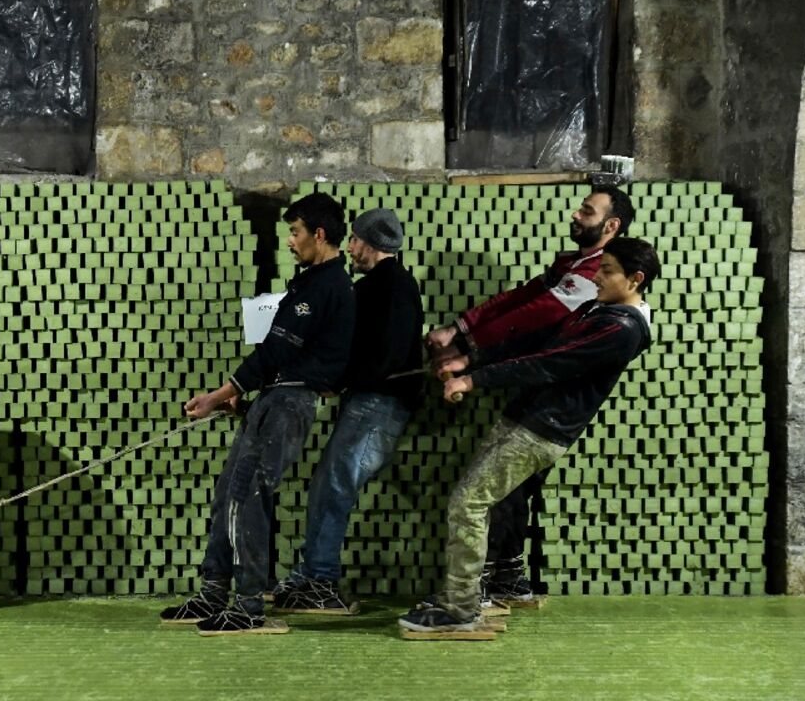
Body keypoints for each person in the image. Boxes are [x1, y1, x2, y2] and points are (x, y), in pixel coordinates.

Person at [400, 236, 659, 635]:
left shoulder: (621, 330)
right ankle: (462, 596)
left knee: (467, 504)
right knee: (476, 502)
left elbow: (549, 364)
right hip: (525, 418)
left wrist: (473, 378)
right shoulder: (599, 309)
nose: (597, 278)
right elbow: (539, 341)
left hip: (541, 432)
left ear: (636, 279)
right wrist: (470, 357)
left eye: (608, 271)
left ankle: (459, 609)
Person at [423, 185, 634, 602]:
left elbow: (539, 322)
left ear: (611, 226)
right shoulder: (574, 262)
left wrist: (470, 360)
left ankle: (469, 595)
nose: (575, 214)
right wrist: (462, 330)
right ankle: (506, 577)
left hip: (548, 405)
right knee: (509, 489)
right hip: (531, 392)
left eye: (586, 211)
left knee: (479, 496)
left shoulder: (603, 291)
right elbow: (521, 298)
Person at [160, 192, 355, 635]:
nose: (290, 242)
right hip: (274, 399)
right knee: (229, 490)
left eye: (296, 232)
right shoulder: (310, 282)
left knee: (249, 495)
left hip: (290, 404)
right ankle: (214, 590)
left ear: (318, 235)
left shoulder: (328, 286)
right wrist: (246, 397)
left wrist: (219, 393)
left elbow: (278, 350)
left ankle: (248, 605)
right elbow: (283, 357)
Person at [269, 208, 424, 615]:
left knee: (335, 484)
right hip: (369, 401)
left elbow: (385, 356)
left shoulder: (391, 287)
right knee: (328, 483)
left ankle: (320, 580)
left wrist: (338, 377)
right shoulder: (380, 285)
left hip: (379, 403)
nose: (350, 248)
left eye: (355, 240)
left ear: (370, 244)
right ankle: (312, 575)